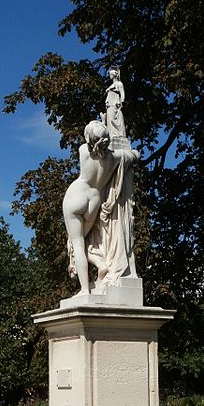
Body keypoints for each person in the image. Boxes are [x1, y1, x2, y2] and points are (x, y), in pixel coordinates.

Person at [62, 120, 139, 295]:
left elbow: (90, 137)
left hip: (76, 195)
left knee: (78, 244)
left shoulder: (84, 150)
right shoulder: (115, 158)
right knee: (86, 240)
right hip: (94, 200)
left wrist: (98, 129)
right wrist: (129, 151)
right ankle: (101, 264)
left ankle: (84, 290)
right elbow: (135, 155)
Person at [104, 67, 126, 138]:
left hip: (115, 103)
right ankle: (112, 134)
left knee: (114, 119)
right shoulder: (112, 85)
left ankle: (118, 134)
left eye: (111, 74)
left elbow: (122, 93)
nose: (110, 76)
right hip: (110, 104)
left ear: (114, 75)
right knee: (110, 120)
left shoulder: (119, 84)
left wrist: (121, 102)